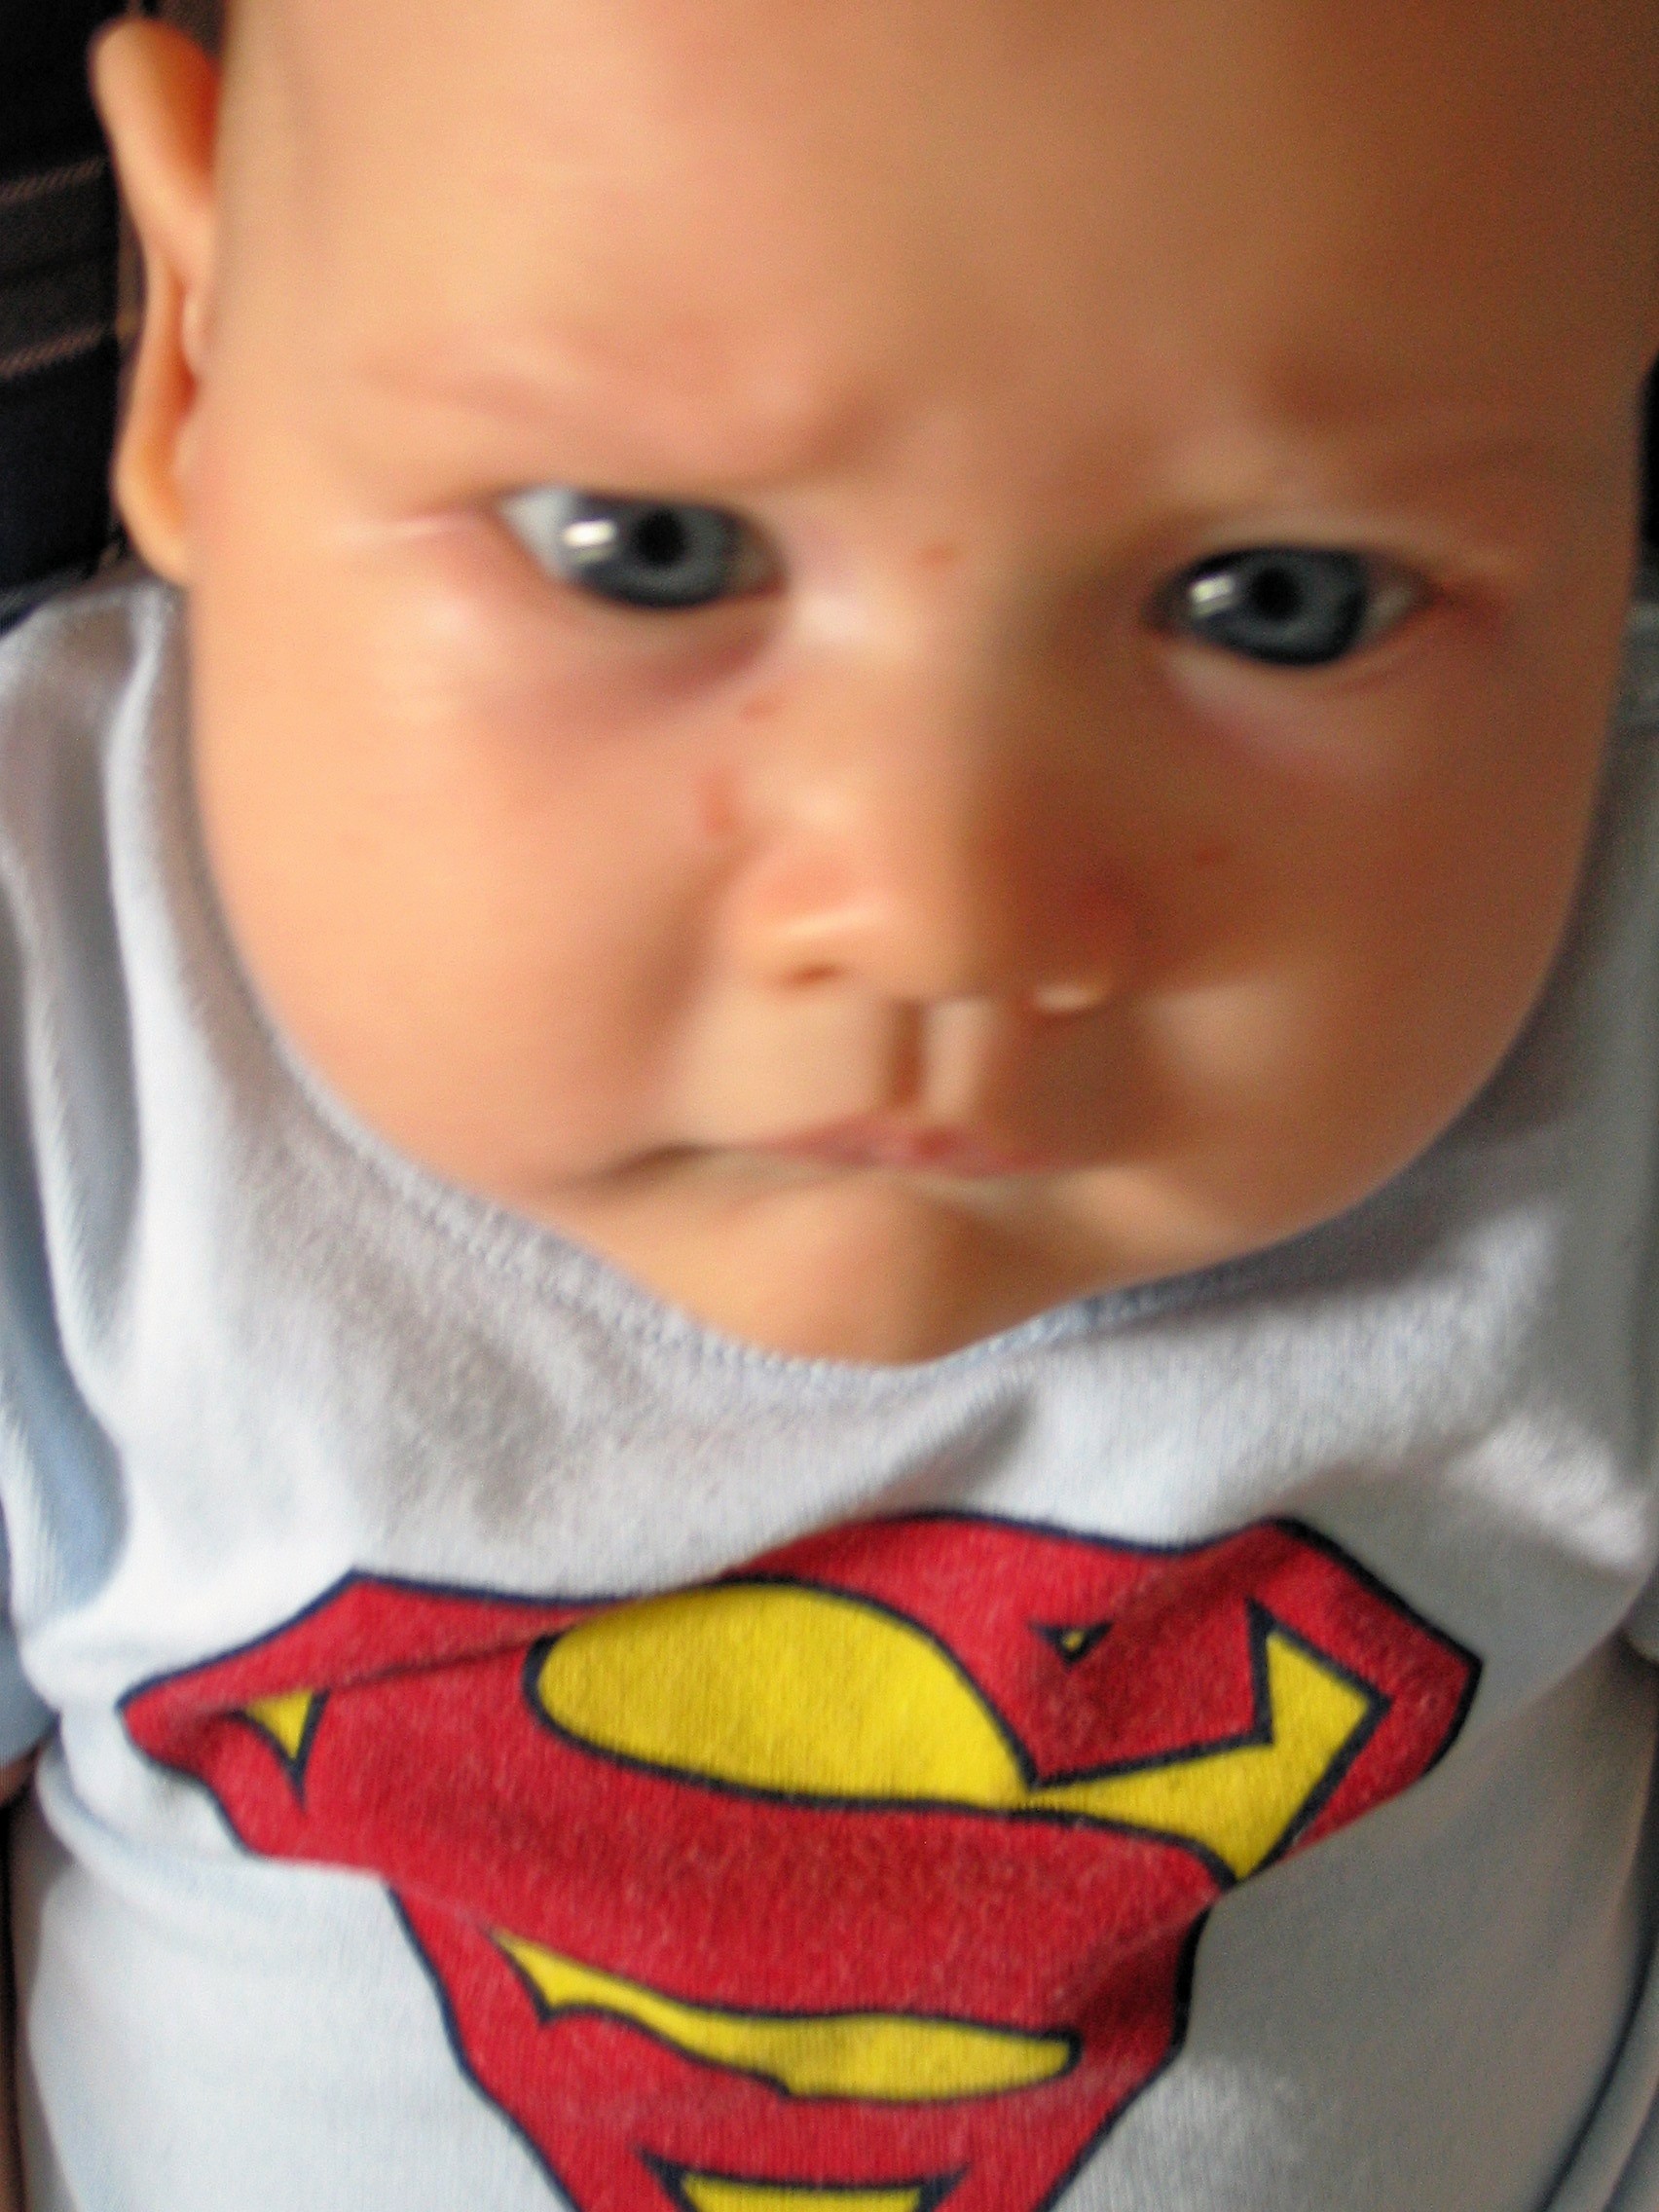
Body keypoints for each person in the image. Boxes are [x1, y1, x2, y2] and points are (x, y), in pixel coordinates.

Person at [2, 0, 1658, 2203]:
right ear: (200, 347)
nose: (940, 906)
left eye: (1288, 601)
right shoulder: (63, 996)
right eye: (641, 546)